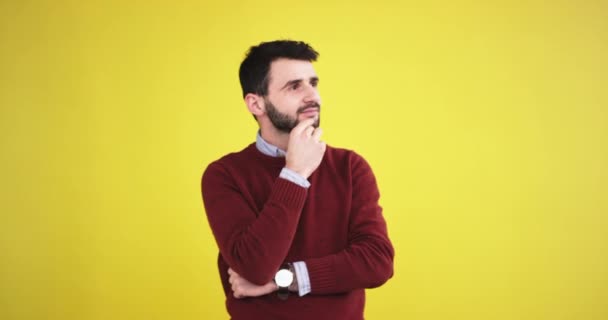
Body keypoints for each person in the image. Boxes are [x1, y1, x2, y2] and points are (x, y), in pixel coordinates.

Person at [201, 40, 394, 320]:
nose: (312, 96)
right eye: (294, 86)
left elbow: (377, 262)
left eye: (313, 83)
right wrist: (294, 174)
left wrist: (284, 278)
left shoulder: (350, 167)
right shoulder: (224, 175)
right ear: (256, 103)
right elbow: (255, 266)